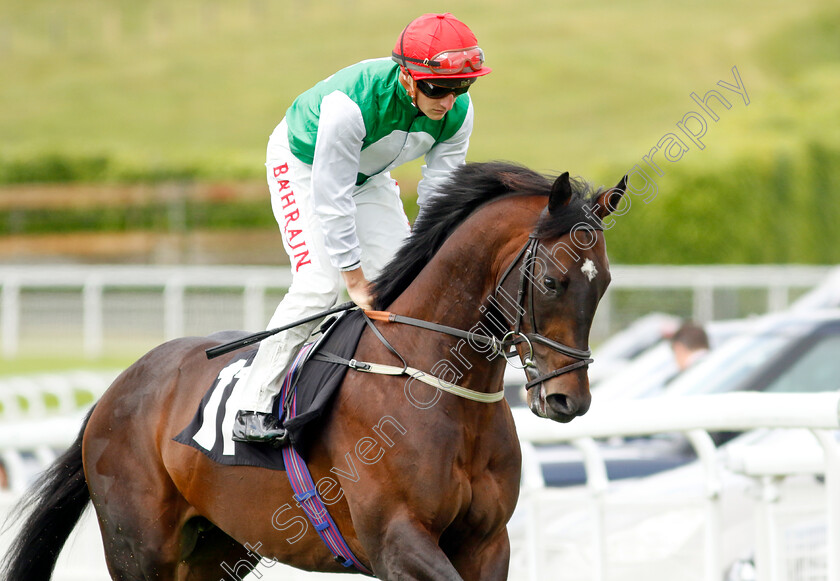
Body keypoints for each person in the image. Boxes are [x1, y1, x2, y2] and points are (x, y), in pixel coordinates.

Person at [232, 13, 492, 442]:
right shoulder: (349, 107)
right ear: (408, 77)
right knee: (322, 283)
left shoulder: (457, 112)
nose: (448, 100)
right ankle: (253, 401)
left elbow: (438, 195)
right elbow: (331, 196)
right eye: (437, 88)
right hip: (304, 163)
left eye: (462, 87)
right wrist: (353, 277)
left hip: (367, 175)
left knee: (407, 281)